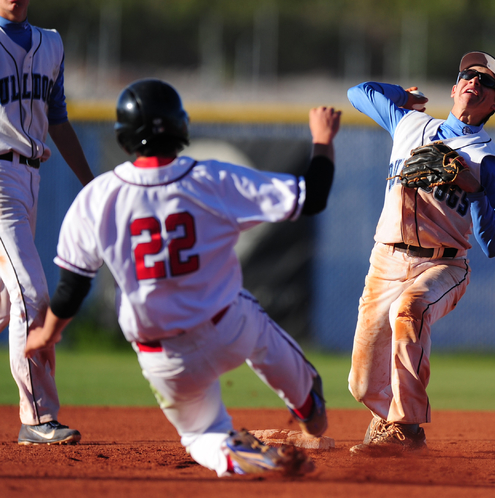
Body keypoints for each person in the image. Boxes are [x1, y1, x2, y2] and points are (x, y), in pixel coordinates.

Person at [24, 78, 341, 476]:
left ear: (123, 138)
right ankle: (306, 401)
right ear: (181, 127)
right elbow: (312, 197)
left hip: (162, 354)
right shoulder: (212, 179)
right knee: (254, 324)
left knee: (202, 435)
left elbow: (72, 288)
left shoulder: (97, 197)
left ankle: (242, 455)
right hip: (229, 327)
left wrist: (48, 332)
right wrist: (323, 139)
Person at [346, 51, 495, 454]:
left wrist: (474, 191)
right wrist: (402, 96)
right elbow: (358, 92)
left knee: (410, 309)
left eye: (486, 82)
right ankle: (390, 420)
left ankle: (407, 428)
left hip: (444, 263)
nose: (475, 81)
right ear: (454, 89)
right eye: (467, 76)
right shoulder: (409, 123)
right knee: (362, 384)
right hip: (386, 259)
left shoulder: (490, 162)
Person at [0, 0, 94, 445]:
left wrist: (90, 183)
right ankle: (37, 417)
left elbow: (58, 120)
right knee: (33, 294)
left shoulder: (51, 44)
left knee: (5, 301)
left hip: (31, 176)